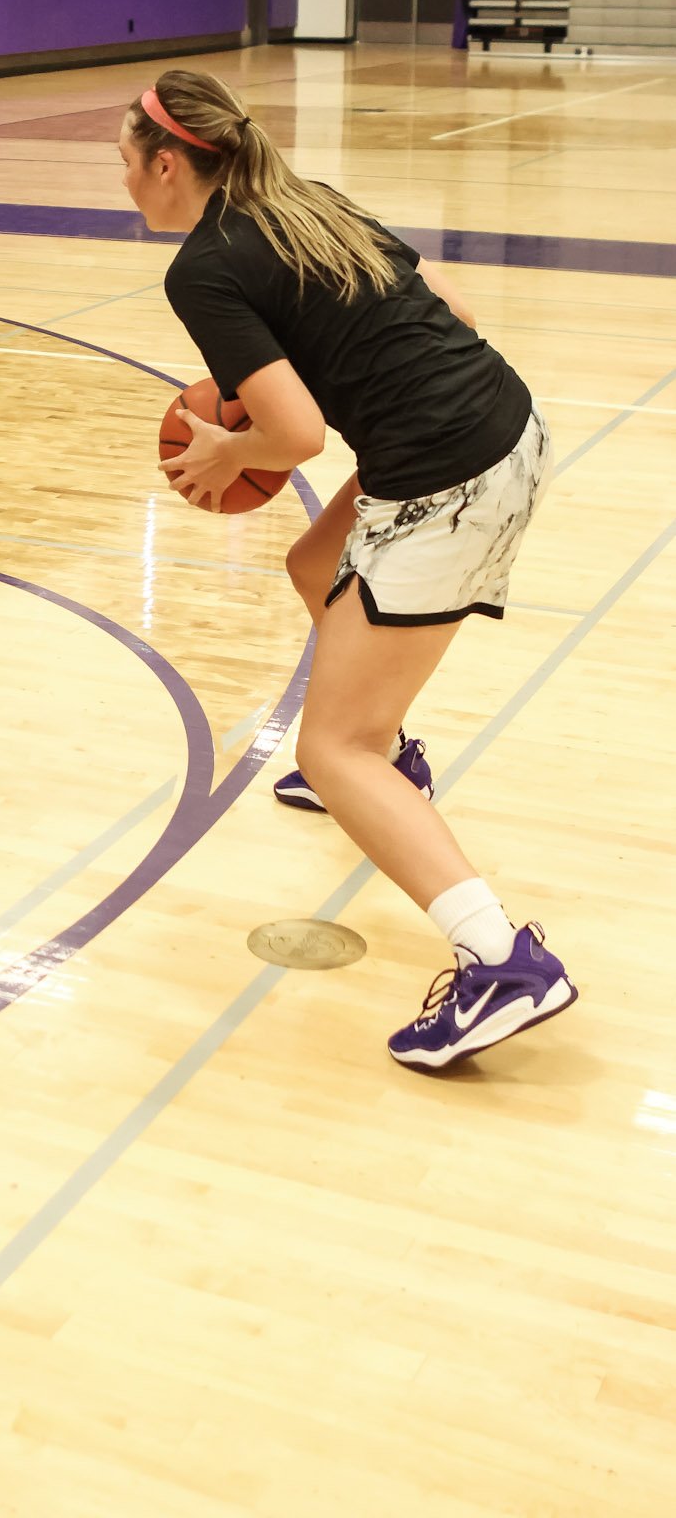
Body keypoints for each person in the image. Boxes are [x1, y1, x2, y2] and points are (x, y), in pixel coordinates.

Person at [120, 69, 576, 1070]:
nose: (125, 182)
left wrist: (226, 453)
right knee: (313, 556)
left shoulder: (202, 266)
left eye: (126, 164)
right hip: (503, 418)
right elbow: (449, 297)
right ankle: (395, 758)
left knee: (332, 748)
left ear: (165, 164)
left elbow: (295, 431)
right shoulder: (299, 200)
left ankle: (501, 958)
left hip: (451, 472)